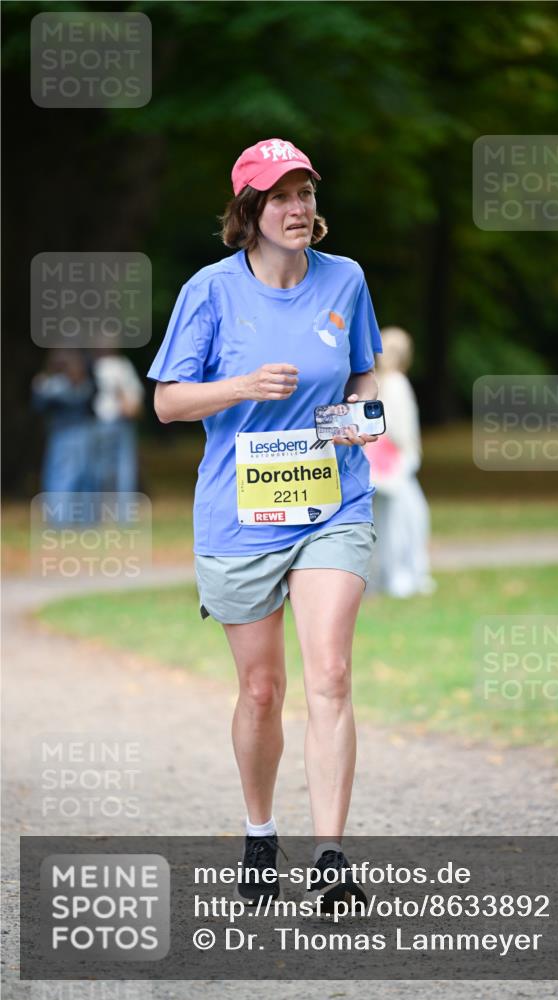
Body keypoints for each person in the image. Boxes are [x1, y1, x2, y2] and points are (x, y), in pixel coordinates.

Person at [147, 138, 382, 910]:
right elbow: (168, 402)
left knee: (332, 674)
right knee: (259, 689)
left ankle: (331, 858)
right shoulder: (209, 293)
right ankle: (258, 832)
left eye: (306, 193)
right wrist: (240, 384)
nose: (297, 208)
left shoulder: (344, 280)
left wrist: (356, 421)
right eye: (280, 196)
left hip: (330, 504)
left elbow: (363, 377)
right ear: (248, 211)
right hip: (240, 512)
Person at [367, 327, 435, 598]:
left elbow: (402, 431)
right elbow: (393, 429)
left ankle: (401, 575)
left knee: (407, 520)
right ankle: (395, 576)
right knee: (393, 522)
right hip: (387, 464)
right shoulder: (386, 382)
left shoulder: (392, 382)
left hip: (394, 464)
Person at [32, 349, 97, 521]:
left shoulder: (65, 386)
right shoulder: (57, 384)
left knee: (80, 475)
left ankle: (81, 519)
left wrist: (42, 389)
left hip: (77, 432)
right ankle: (61, 519)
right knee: (64, 476)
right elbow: (40, 405)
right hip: (65, 433)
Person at [91, 347, 145, 497]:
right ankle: (123, 505)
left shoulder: (93, 364)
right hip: (119, 420)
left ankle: (102, 503)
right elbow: (135, 393)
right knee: (124, 465)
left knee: (102, 464)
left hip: (103, 420)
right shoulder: (122, 365)